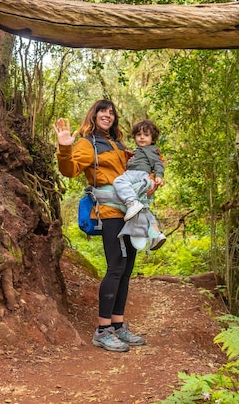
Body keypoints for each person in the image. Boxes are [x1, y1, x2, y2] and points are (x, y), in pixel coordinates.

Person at [53, 99, 155, 353]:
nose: (107, 115)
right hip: (110, 212)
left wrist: (151, 179)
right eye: (102, 111)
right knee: (116, 267)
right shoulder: (89, 144)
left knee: (127, 267)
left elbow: (134, 173)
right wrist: (65, 148)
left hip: (131, 212)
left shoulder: (119, 145)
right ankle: (102, 330)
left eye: (111, 112)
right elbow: (70, 170)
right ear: (94, 115)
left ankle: (118, 325)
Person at [113, 120, 166, 251]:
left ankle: (131, 202)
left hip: (138, 174)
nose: (142, 137)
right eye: (139, 134)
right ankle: (156, 234)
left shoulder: (151, 150)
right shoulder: (139, 151)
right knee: (145, 208)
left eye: (146, 135)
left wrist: (158, 176)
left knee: (118, 182)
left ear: (152, 138)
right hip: (138, 175)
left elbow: (158, 163)